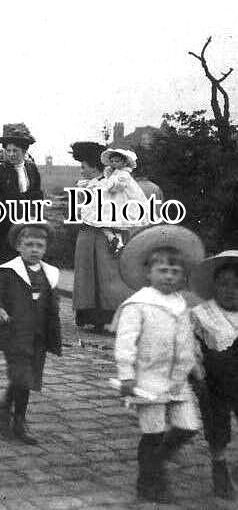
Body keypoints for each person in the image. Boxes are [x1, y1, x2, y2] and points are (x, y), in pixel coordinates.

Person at [113, 224, 205, 503]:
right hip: (148, 379)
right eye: (162, 270)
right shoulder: (138, 303)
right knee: (152, 433)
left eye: (175, 272)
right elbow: (125, 342)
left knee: (188, 426)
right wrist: (126, 375)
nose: (169, 276)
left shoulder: (180, 303)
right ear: (148, 273)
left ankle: (156, 464)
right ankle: (149, 481)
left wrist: (194, 366)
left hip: (176, 380)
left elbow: (186, 339)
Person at [0, 223, 62, 446]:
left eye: (39, 245)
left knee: (28, 379)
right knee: (21, 375)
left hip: (39, 336)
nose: (34, 250)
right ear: (18, 246)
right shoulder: (7, 273)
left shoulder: (50, 274)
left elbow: (51, 305)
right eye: (29, 245)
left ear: (46, 248)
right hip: (15, 333)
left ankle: (10, 411)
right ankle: (17, 420)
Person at [70, 141, 134, 333]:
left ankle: (107, 317)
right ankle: (89, 316)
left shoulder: (109, 185)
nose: (81, 171)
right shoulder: (89, 184)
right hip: (87, 234)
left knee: (106, 275)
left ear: (94, 166)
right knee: (87, 274)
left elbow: (114, 211)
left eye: (84, 167)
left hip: (105, 235)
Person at [189, 251, 238, 500]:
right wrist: (197, 373)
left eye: (237, 285)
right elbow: (192, 348)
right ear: (214, 286)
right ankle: (219, 469)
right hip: (214, 384)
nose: (230, 290)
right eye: (224, 284)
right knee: (217, 428)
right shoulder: (202, 315)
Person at [0, 123, 42, 268]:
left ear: (24, 151)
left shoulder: (31, 170)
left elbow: (36, 194)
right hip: (3, 226)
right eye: (8, 150)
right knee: (2, 264)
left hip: (24, 225)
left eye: (15, 151)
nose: (11, 154)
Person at [83, 148, 149, 256]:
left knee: (115, 221)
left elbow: (118, 186)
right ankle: (114, 240)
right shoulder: (112, 172)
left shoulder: (124, 174)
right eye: (112, 161)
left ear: (124, 162)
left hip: (120, 200)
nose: (114, 163)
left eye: (117, 161)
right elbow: (108, 182)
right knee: (103, 221)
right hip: (111, 199)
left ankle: (116, 240)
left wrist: (108, 185)